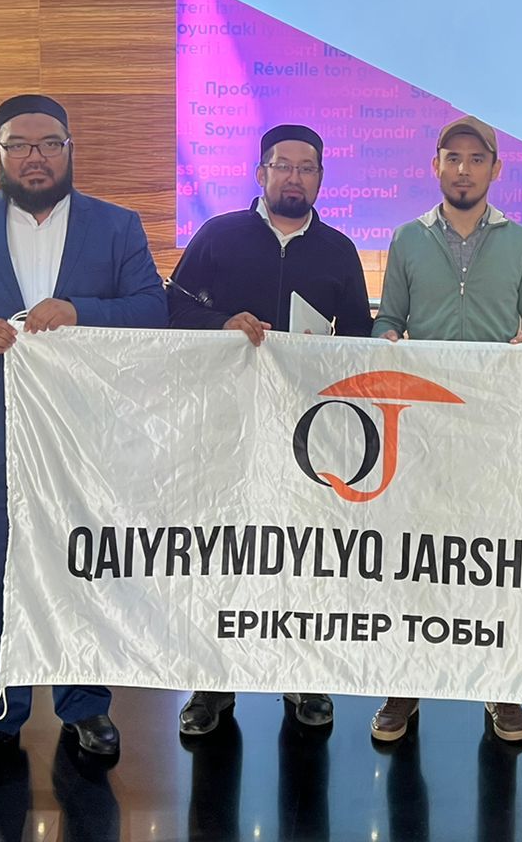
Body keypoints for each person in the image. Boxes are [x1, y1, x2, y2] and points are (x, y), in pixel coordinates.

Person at [0, 94, 168, 781]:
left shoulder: (116, 225)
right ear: (0, 153)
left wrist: (80, 311)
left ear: (70, 149)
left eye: (49, 144)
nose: (35, 157)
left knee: (85, 573)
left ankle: (85, 708)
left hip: (84, 441)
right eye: (19, 145)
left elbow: (151, 308)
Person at [168, 123, 372, 735]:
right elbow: (173, 307)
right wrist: (222, 323)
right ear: (261, 174)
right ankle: (211, 684)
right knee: (219, 547)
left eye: (306, 168)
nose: (294, 177)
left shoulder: (339, 251)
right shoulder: (218, 234)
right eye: (283, 166)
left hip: (305, 428)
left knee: (304, 550)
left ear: (320, 179)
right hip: (223, 419)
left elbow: (357, 338)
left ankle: (303, 677)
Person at [370, 113, 522, 746]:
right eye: (453, 157)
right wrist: (386, 339)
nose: (464, 169)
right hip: (421, 427)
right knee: (414, 555)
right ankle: (405, 682)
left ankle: (500, 684)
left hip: (495, 428)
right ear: (436, 165)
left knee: (493, 555)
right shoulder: (407, 239)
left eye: (477, 159)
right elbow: (388, 320)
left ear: (495, 170)